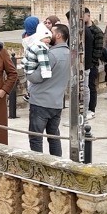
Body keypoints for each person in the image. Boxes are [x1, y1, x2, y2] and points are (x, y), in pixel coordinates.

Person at [26, 23, 71, 156]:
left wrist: (28, 72)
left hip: (41, 101)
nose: (48, 34)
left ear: (58, 35)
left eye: (51, 32)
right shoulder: (70, 54)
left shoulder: (51, 55)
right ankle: (57, 165)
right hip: (57, 102)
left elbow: (36, 77)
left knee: (35, 138)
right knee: (54, 137)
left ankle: (38, 168)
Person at [77, 7, 106, 119]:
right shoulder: (81, 30)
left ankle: (91, 109)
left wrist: (92, 63)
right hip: (82, 64)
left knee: (91, 86)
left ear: (88, 15)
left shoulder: (96, 31)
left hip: (91, 64)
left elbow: (98, 50)